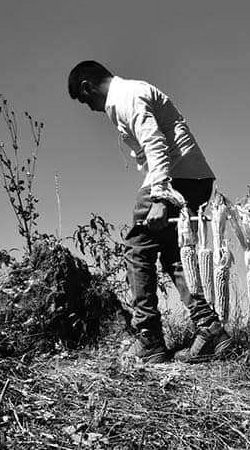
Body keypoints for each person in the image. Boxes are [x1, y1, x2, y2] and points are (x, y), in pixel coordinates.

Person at [68, 60, 230, 363]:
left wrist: (159, 197)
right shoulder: (132, 93)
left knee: (138, 247)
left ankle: (149, 337)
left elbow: (155, 143)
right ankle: (211, 331)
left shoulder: (127, 96)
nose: (89, 108)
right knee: (173, 253)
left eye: (84, 99)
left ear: (87, 87)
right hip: (195, 177)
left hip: (175, 178)